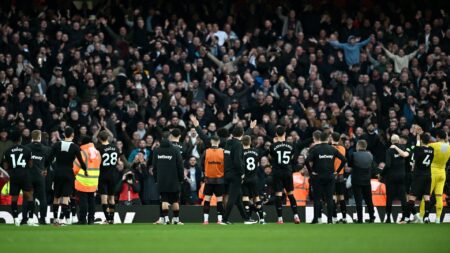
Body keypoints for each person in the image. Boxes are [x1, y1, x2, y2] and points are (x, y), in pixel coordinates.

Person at [49, 127, 87, 226]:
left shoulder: (57, 145)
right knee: (65, 197)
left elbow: (49, 158)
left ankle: (56, 219)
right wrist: (85, 171)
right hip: (69, 173)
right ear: (73, 135)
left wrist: (45, 168)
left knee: (56, 197)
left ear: (64, 134)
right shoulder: (75, 147)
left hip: (58, 172)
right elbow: (81, 162)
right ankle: (62, 220)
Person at [306, 131, 347, 224]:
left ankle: (316, 219)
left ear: (319, 139)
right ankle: (329, 220)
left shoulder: (316, 149)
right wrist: (336, 172)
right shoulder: (332, 149)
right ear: (328, 139)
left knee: (317, 198)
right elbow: (344, 160)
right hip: (330, 176)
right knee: (329, 199)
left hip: (318, 177)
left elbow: (306, 161)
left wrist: (311, 172)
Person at [221, 126, 255, 225]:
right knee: (232, 197)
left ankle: (246, 218)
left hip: (227, 173)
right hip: (235, 174)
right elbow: (237, 161)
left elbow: (226, 158)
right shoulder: (238, 145)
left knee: (238, 197)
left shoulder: (228, 143)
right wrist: (242, 173)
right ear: (242, 134)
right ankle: (224, 219)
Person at [2, 130, 35, 226]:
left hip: (13, 175)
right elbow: (30, 164)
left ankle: (16, 219)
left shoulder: (7, 151)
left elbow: (5, 167)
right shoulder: (27, 150)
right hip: (25, 175)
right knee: (29, 196)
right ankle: (31, 219)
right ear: (20, 139)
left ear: (12, 140)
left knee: (14, 198)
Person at [269, 126, 300, 224]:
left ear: (276, 135)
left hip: (277, 172)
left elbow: (271, 158)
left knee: (278, 194)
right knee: (290, 193)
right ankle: (296, 216)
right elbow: (293, 159)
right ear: (285, 134)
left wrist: (275, 144)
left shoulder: (273, 146)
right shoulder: (291, 145)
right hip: (287, 171)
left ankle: (280, 219)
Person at [152, 132, 184, 225]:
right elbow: (180, 166)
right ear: (170, 138)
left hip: (162, 180)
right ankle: (176, 220)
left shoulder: (157, 151)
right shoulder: (175, 150)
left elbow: (154, 167)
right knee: (175, 200)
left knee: (164, 200)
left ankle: (165, 219)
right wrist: (181, 179)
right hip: (174, 180)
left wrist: (156, 179)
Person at [420, 129, 450, 224]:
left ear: (437, 136)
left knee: (426, 195)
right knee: (439, 196)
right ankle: (437, 219)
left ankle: (421, 216)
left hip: (432, 172)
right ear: (445, 137)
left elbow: (422, 148)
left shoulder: (433, 145)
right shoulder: (449, 146)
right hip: (442, 172)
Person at [405, 132, 434, 223]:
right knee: (427, 197)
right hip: (428, 175)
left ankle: (406, 218)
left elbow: (415, 155)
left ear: (421, 140)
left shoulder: (418, 149)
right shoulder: (432, 149)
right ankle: (426, 217)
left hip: (418, 176)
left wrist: (417, 139)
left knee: (412, 197)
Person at [25, 130, 52, 225]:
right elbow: (50, 161)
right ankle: (43, 219)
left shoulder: (26, 148)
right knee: (42, 198)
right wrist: (45, 168)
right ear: (40, 137)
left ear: (32, 137)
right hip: (40, 176)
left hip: (29, 176)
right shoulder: (46, 149)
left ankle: (28, 218)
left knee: (29, 197)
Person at [73, 136, 101, 225]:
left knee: (83, 201)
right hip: (93, 181)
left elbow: (75, 168)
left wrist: (74, 175)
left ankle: (82, 220)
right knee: (92, 201)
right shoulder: (97, 153)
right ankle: (91, 219)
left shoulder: (82, 153)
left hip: (83, 180)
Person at [382, 134, 410, 223]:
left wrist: (382, 174)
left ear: (391, 141)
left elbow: (388, 165)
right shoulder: (403, 147)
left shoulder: (389, 150)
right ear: (398, 141)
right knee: (403, 198)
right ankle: (404, 217)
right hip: (401, 176)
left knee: (389, 198)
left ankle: (388, 218)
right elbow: (406, 157)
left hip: (391, 177)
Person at [349, 140, 375, 223]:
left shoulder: (354, 154)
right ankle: (372, 217)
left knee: (358, 200)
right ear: (365, 146)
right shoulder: (370, 155)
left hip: (356, 180)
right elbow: (372, 167)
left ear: (358, 146)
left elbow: (350, 164)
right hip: (367, 180)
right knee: (369, 200)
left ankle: (360, 219)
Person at [242, 135, 265, 224]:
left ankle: (247, 218)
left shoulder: (240, 152)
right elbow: (258, 164)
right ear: (250, 142)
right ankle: (262, 219)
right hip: (254, 178)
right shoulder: (256, 151)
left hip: (245, 178)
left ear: (242, 142)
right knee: (256, 197)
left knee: (245, 197)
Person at [201, 135, 225, 224]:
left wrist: (205, 172)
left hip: (209, 179)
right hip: (220, 180)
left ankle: (206, 220)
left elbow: (201, 164)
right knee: (219, 200)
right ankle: (219, 220)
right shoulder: (223, 152)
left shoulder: (206, 152)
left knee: (207, 199)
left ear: (211, 141)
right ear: (219, 142)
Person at [98, 130, 119, 224]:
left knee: (104, 198)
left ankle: (107, 218)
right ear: (108, 138)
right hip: (113, 175)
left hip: (103, 175)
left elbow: (98, 162)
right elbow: (118, 161)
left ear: (99, 138)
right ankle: (112, 218)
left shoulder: (99, 149)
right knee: (111, 198)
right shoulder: (115, 148)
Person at [331, 132, 347, 223]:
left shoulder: (330, 148)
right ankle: (344, 217)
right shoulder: (343, 148)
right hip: (340, 174)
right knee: (341, 196)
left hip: (332, 174)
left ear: (332, 138)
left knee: (333, 197)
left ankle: (334, 218)